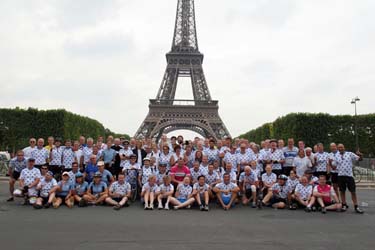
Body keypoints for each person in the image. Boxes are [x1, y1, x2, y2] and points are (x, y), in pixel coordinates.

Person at [334, 144, 364, 213]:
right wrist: (330, 162)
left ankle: (356, 206)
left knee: (353, 192)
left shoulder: (350, 154)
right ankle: (344, 205)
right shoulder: (336, 155)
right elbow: (334, 166)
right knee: (342, 191)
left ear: (344, 147)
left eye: (341, 147)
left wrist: (360, 155)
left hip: (349, 176)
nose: (340, 148)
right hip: (341, 176)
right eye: (339, 148)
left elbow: (360, 159)